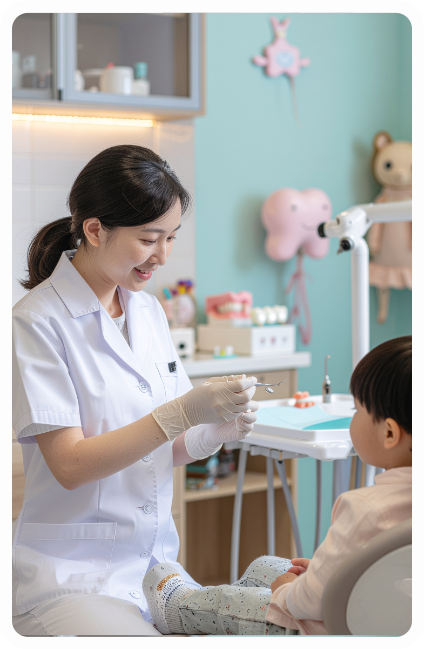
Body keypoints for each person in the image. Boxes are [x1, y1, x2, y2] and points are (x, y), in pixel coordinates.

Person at [12, 145, 260, 636]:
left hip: (154, 568)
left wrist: (211, 434)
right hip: (72, 574)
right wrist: (181, 414)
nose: (163, 256)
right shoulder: (37, 321)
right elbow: (71, 465)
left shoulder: (146, 312)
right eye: (149, 239)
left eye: (171, 238)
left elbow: (156, 450)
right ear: (95, 229)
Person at [143, 335, 412, 635]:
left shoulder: (365, 508)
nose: (354, 417)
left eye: (358, 410)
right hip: (383, 610)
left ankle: (177, 608)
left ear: (389, 434)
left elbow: (306, 603)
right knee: (265, 567)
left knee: (225, 601)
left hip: (327, 627)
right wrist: (328, 573)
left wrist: (288, 591)